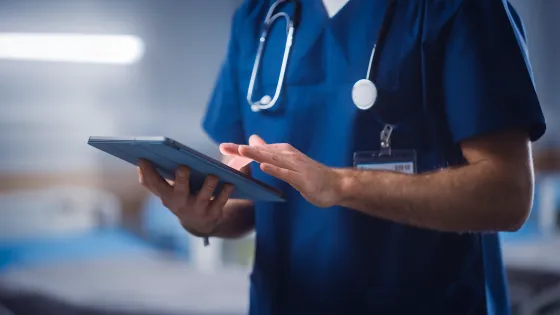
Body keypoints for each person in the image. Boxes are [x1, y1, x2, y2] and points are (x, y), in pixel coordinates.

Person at [137, 0, 546, 314]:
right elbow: (247, 191)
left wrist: (340, 185)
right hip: (284, 301)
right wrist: (205, 217)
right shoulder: (260, 17)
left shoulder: (460, 8)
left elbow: (507, 194)